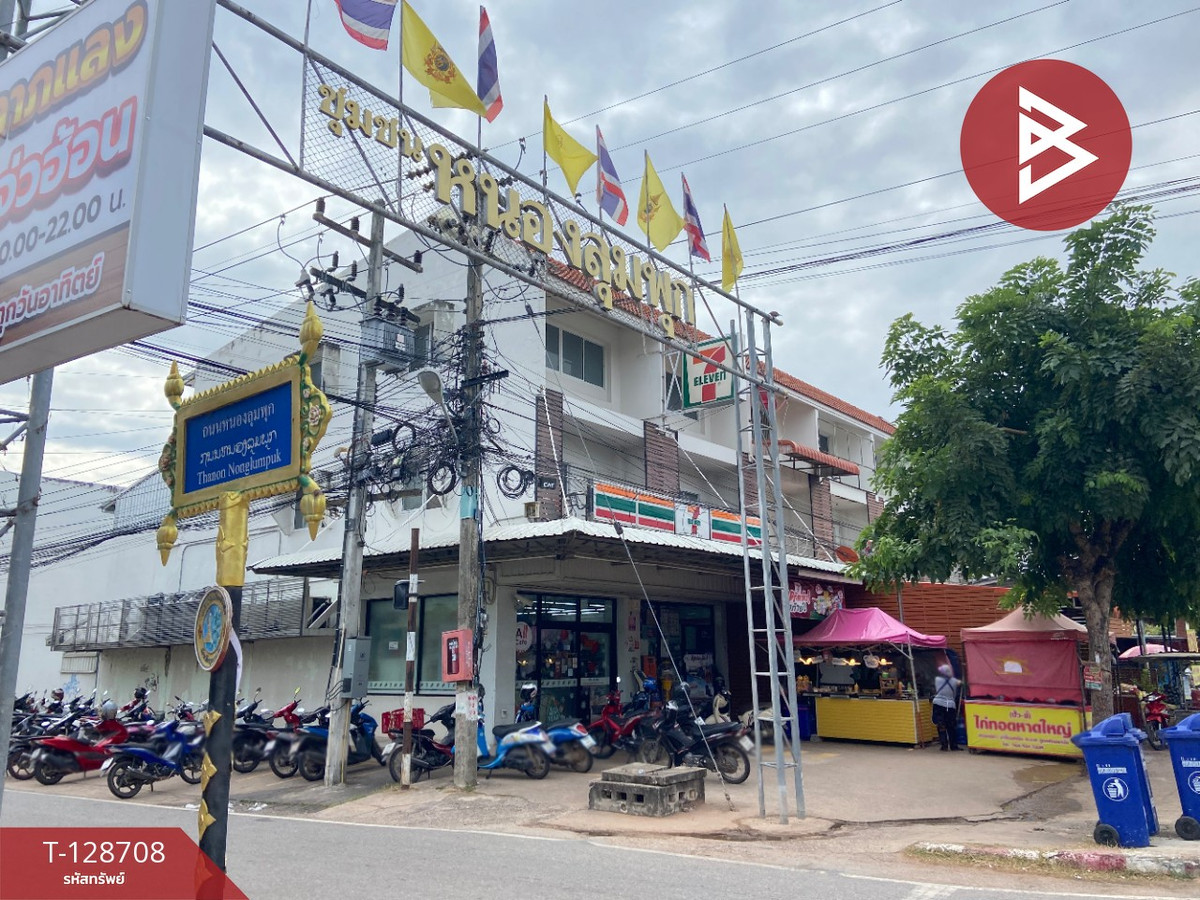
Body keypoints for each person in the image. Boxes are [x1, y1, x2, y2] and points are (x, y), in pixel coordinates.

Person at [932, 664, 962, 751]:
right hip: (950, 705)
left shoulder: (937, 680)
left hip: (938, 704)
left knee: (941, 725)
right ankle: (953, 746)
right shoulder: (954, 681)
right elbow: (960, 683)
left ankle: (944, 745)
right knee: (951, 726)